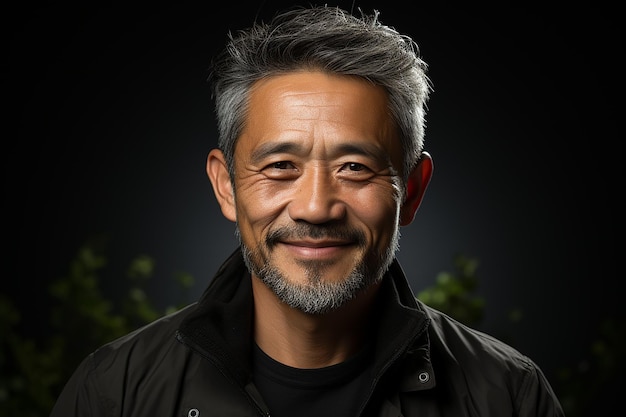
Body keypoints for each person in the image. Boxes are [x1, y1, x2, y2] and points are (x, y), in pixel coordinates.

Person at [50, 5, 564, 417]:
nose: (316, 206)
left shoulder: (508, 397)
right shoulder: (113, 393)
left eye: (356, 167)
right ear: (226, 185)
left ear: (411, 189)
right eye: (279, 166)